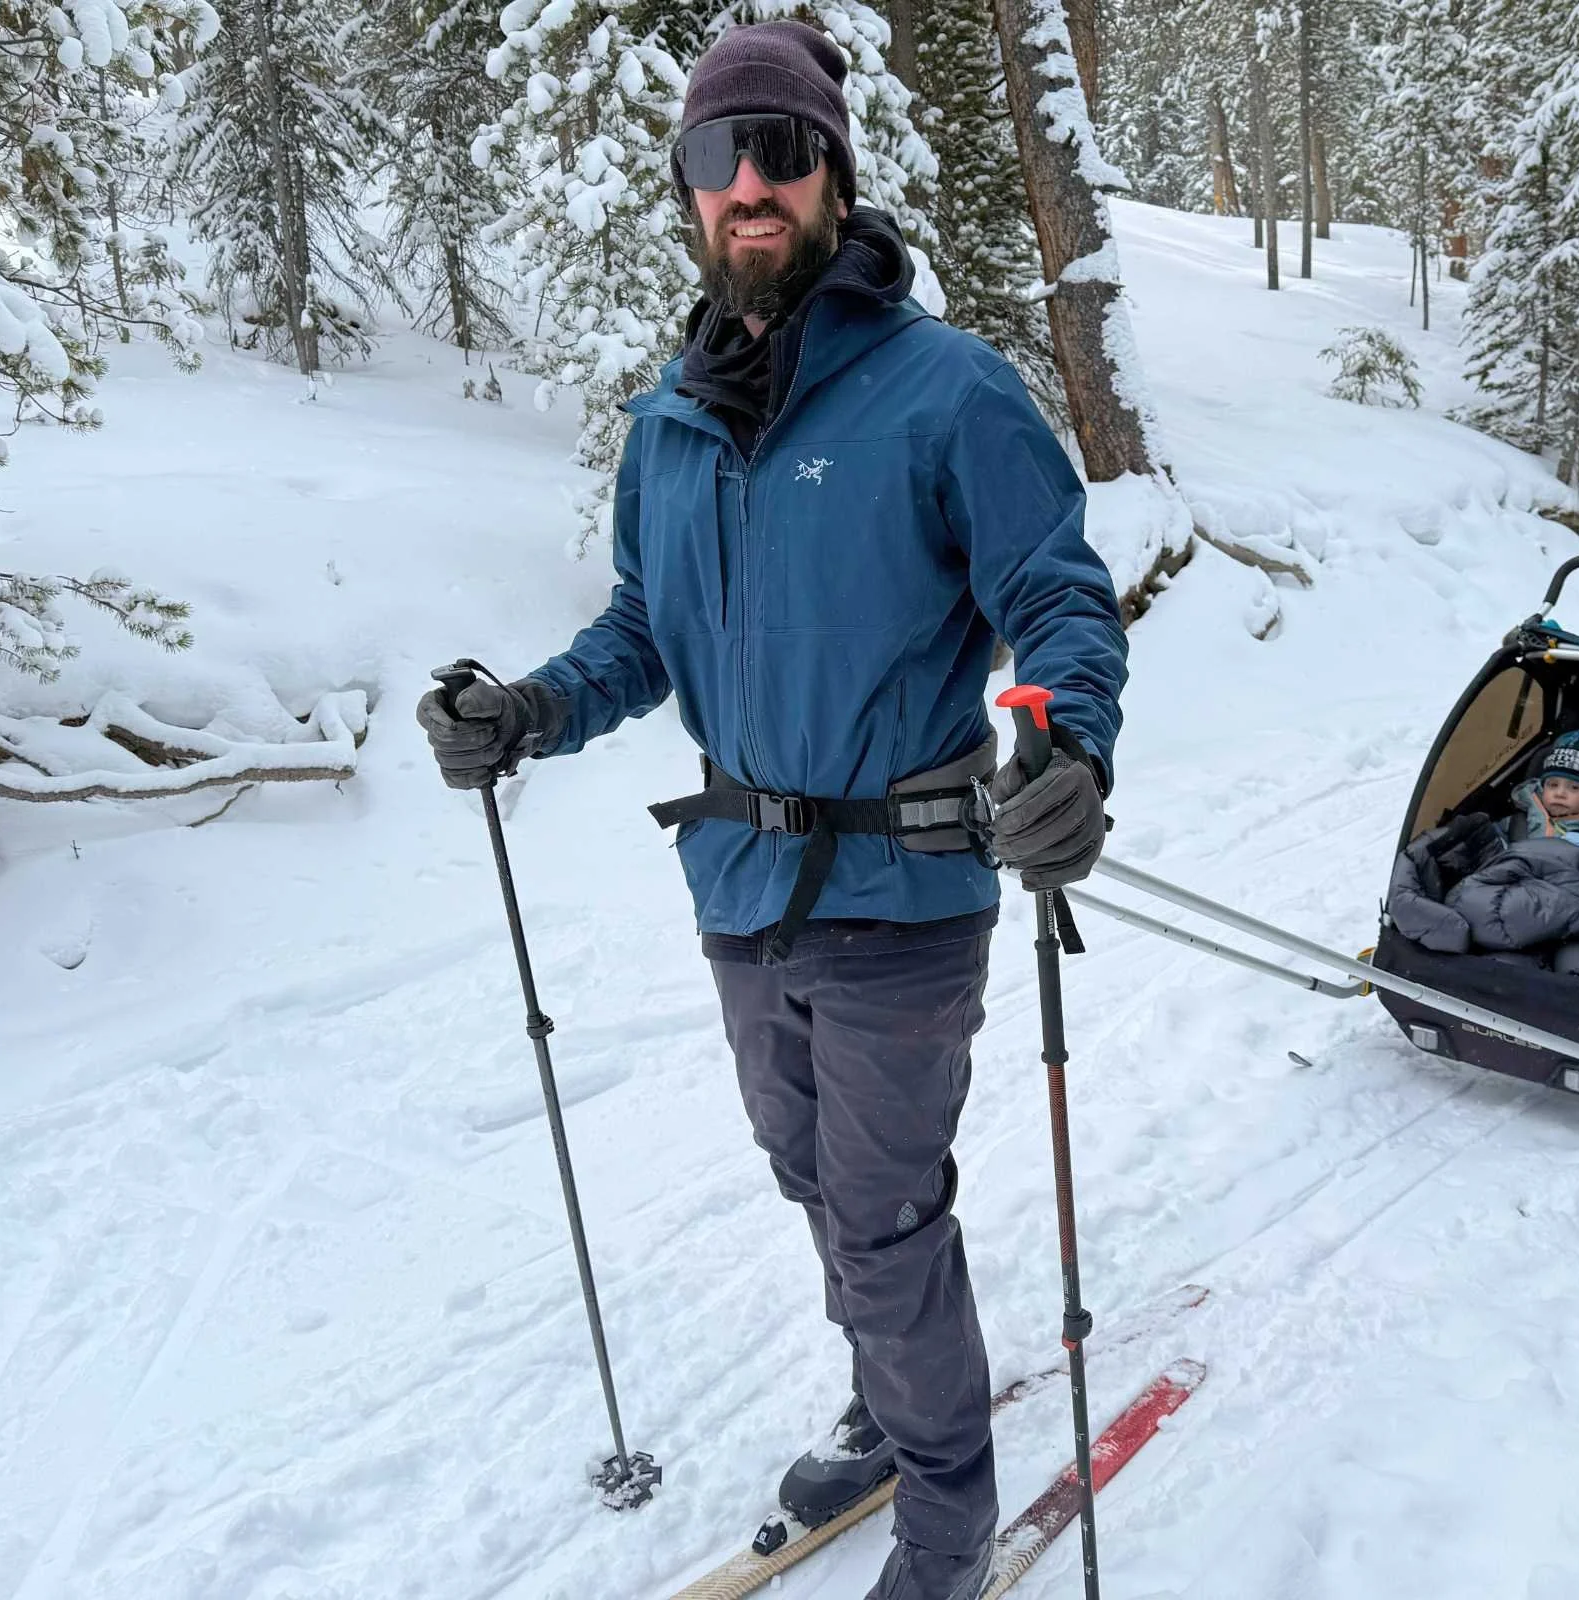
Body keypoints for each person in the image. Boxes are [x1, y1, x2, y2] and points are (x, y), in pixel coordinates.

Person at [416, 21, 1128, 1599]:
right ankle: (888, 1404)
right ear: (684, 189)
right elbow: (642, 634)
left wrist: (1066, 743)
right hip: (739, 888)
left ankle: (948, 1510)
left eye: (780, 154)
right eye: (713, 158)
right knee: (811, 1181)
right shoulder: (669, 424)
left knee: (880, 1213)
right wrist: (531, 709)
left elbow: (1061, 601)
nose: (748, 186)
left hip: (906, 889)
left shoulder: (947, 391)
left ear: (831, 176)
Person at [1389, 728, 1579, 960]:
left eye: (1574, 788)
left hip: (1547, 915)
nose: (1560, 793)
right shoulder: (1515, 824)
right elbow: (1493, 861)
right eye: (1553, 785)